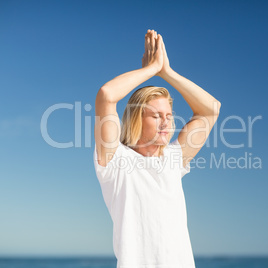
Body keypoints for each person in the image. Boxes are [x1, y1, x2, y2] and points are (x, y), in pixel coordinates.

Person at [93, 29, 221, 267]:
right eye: (156, 115)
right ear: (136, 118)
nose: (166, 121)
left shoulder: (173, 159)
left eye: (170, 116)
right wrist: (150, 69)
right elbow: (107, 95)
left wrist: (167, 72)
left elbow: (210, 109)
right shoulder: (115, 161)